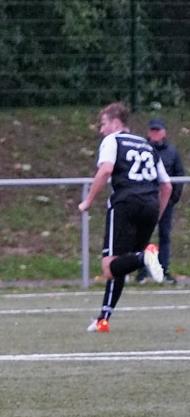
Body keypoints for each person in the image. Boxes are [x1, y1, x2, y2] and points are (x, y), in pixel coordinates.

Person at [78, 102, 172, 333]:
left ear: (116, 123)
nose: (101, 130)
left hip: (125, 204)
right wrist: (157, 215)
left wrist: (88, 201)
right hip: (150, 205)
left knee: (110, 267)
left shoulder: (113, 140)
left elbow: (106, 170)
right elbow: (167, 186)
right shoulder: (148, 145)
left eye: (103, 124)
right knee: (122, 262)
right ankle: (103, 319)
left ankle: (145, 257)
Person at [135, 117, 183, 284]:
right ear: (149, 132)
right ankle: (141, 272)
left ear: (164, 132)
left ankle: (164, 271)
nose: (155, 133)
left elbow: (179, 173)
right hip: (146, 200)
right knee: (143, 235)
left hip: (165, 200)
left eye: (158, 130)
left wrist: (173, 197)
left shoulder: (172, 151)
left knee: (165, 235)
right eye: (153, 130)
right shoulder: (142, 149)